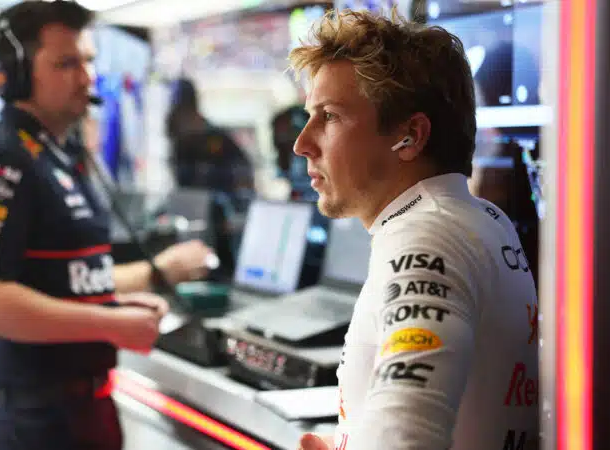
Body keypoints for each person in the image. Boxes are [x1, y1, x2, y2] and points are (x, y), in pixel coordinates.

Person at [0, 2, 213, 449]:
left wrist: (137, 290)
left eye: (87, 61)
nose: (86, 78)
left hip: (80, 412)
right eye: (65, 63)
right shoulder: (6, 158)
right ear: (15, 74)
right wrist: (108, 325)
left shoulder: (58, 156)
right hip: (33, 420)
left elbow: (67, 280)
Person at [289, 10, 538, 450]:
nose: (302, 143)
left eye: (329, 116)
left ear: (410, 136)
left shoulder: (428, 236)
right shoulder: (477, 219)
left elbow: (406, 434)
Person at [166, 77, 255, 195]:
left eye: (183, 112)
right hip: (190, 204)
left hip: (221, 207)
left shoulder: (217, 139)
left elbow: (244, 178)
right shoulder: (180, 144)